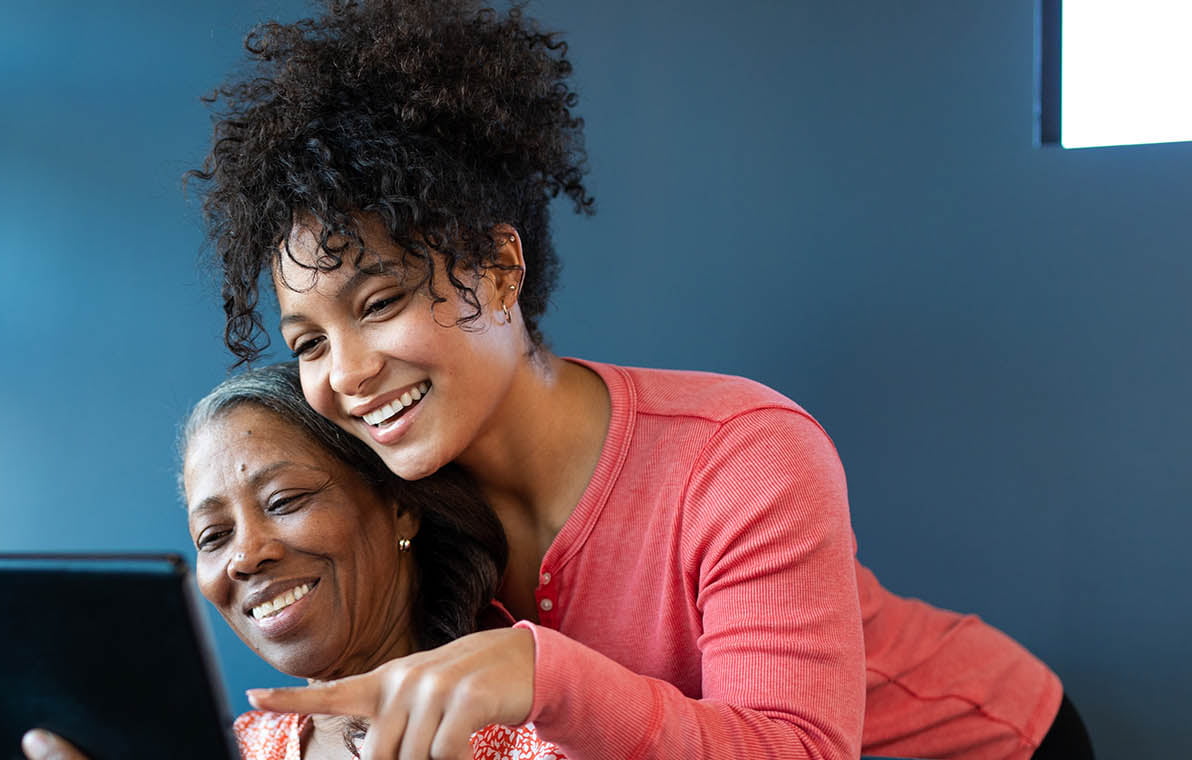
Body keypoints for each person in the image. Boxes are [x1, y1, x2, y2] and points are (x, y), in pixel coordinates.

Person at [185, 2, 1094, 759]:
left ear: (501, 271)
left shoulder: (742, 456)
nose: (345, 374)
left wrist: (543, 677)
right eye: (307, 342)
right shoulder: (397, 494)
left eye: (379, 302)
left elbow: (796, 748)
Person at [24, 363, 566, 760]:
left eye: (283, 502)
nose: (245, 556)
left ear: (400, 506)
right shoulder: (238, 749)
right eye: (213, 535)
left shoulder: (536, 729)